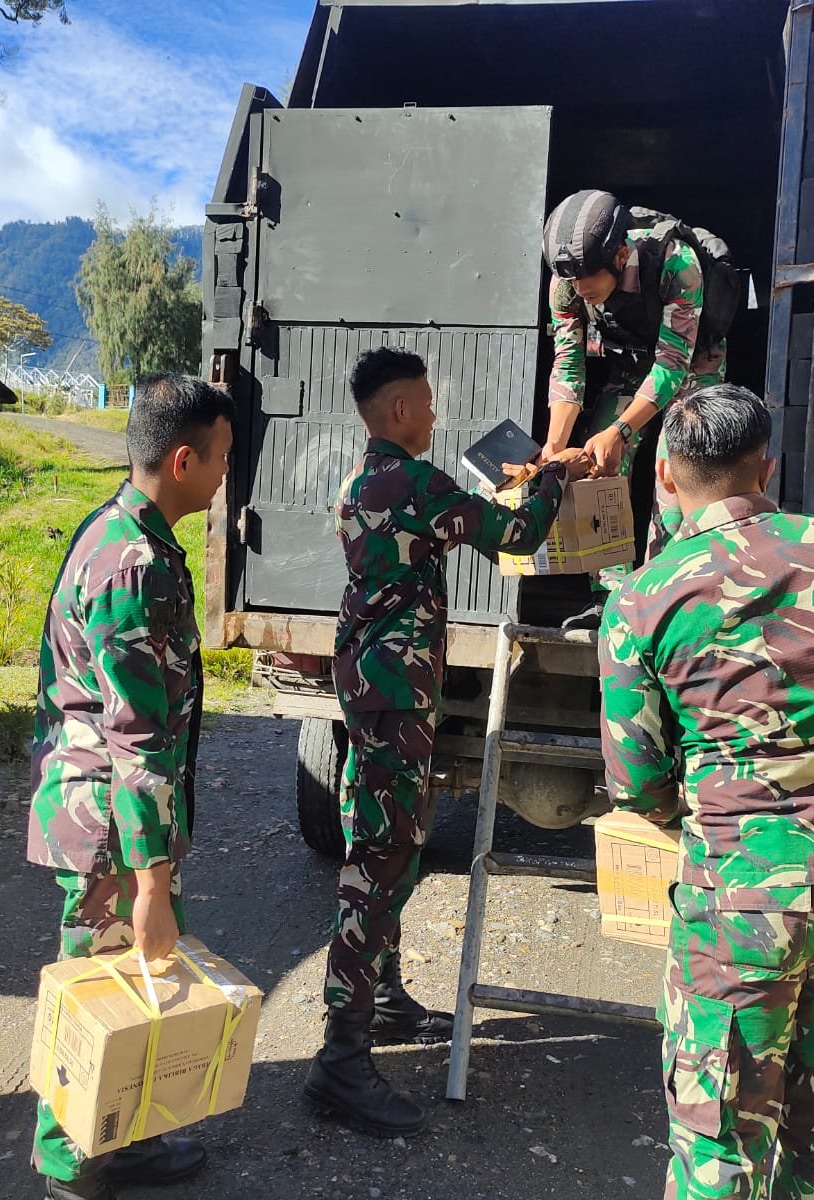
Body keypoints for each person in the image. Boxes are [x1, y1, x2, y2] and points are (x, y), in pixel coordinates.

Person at [598, 383, 814, 1200]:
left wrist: (711, 810)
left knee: (721, 1131)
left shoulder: (641, 597)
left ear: (664, 477)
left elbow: (636, 780)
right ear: (765, 465)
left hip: (743, 890)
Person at [305, 346, 584, 1136]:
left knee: (393, 841)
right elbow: (520, 531)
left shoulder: (359, 483)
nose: (434, 415)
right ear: (397, 409)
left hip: (370, 683)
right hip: (395, 694)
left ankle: (383, 999)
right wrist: (553, 470)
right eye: (425, 402)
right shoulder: (417, 485)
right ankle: (341, 1058)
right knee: (379, 861)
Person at [24, 373, 235, 1200]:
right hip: (111, 819)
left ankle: (130, 1134)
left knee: (131, 987)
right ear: (182, 459)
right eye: (219, 458)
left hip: (120, 812)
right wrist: (150, 885)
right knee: (96, 995)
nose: (224, 474)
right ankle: (71, 1166)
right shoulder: (132, 564)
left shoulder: (130, 532)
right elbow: (136, 741)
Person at [539, 188, 730, 626]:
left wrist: (622, 432)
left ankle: (667, 597)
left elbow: (672, 365)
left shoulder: (677, 263)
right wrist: (555, 447)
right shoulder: (568, 283)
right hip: (630, 356)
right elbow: (568, 366)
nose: (583, 291)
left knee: (676, 471)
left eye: (590, 280)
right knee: (597, 464)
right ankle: (610, 598)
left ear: (621, 255)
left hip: (691, 361)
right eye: (574, 283)